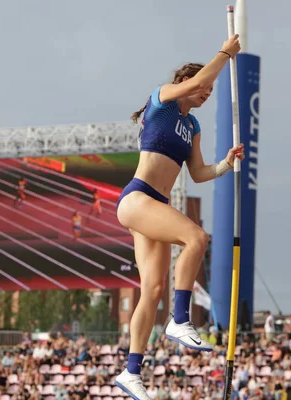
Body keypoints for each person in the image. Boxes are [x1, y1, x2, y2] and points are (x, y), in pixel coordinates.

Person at [113, 34, 243, 399]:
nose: (207, 94)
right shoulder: (164, 99)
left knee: (152, 290)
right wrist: (224, 54)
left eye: (211, 91)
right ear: (187, 84)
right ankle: (180, 319)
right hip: (138, 198)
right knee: (197, 238)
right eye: (205, 90)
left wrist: (227, 164)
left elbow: (198, 173)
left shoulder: (193, 127)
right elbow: (200, 81)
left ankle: (131, 372)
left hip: (154, 206)